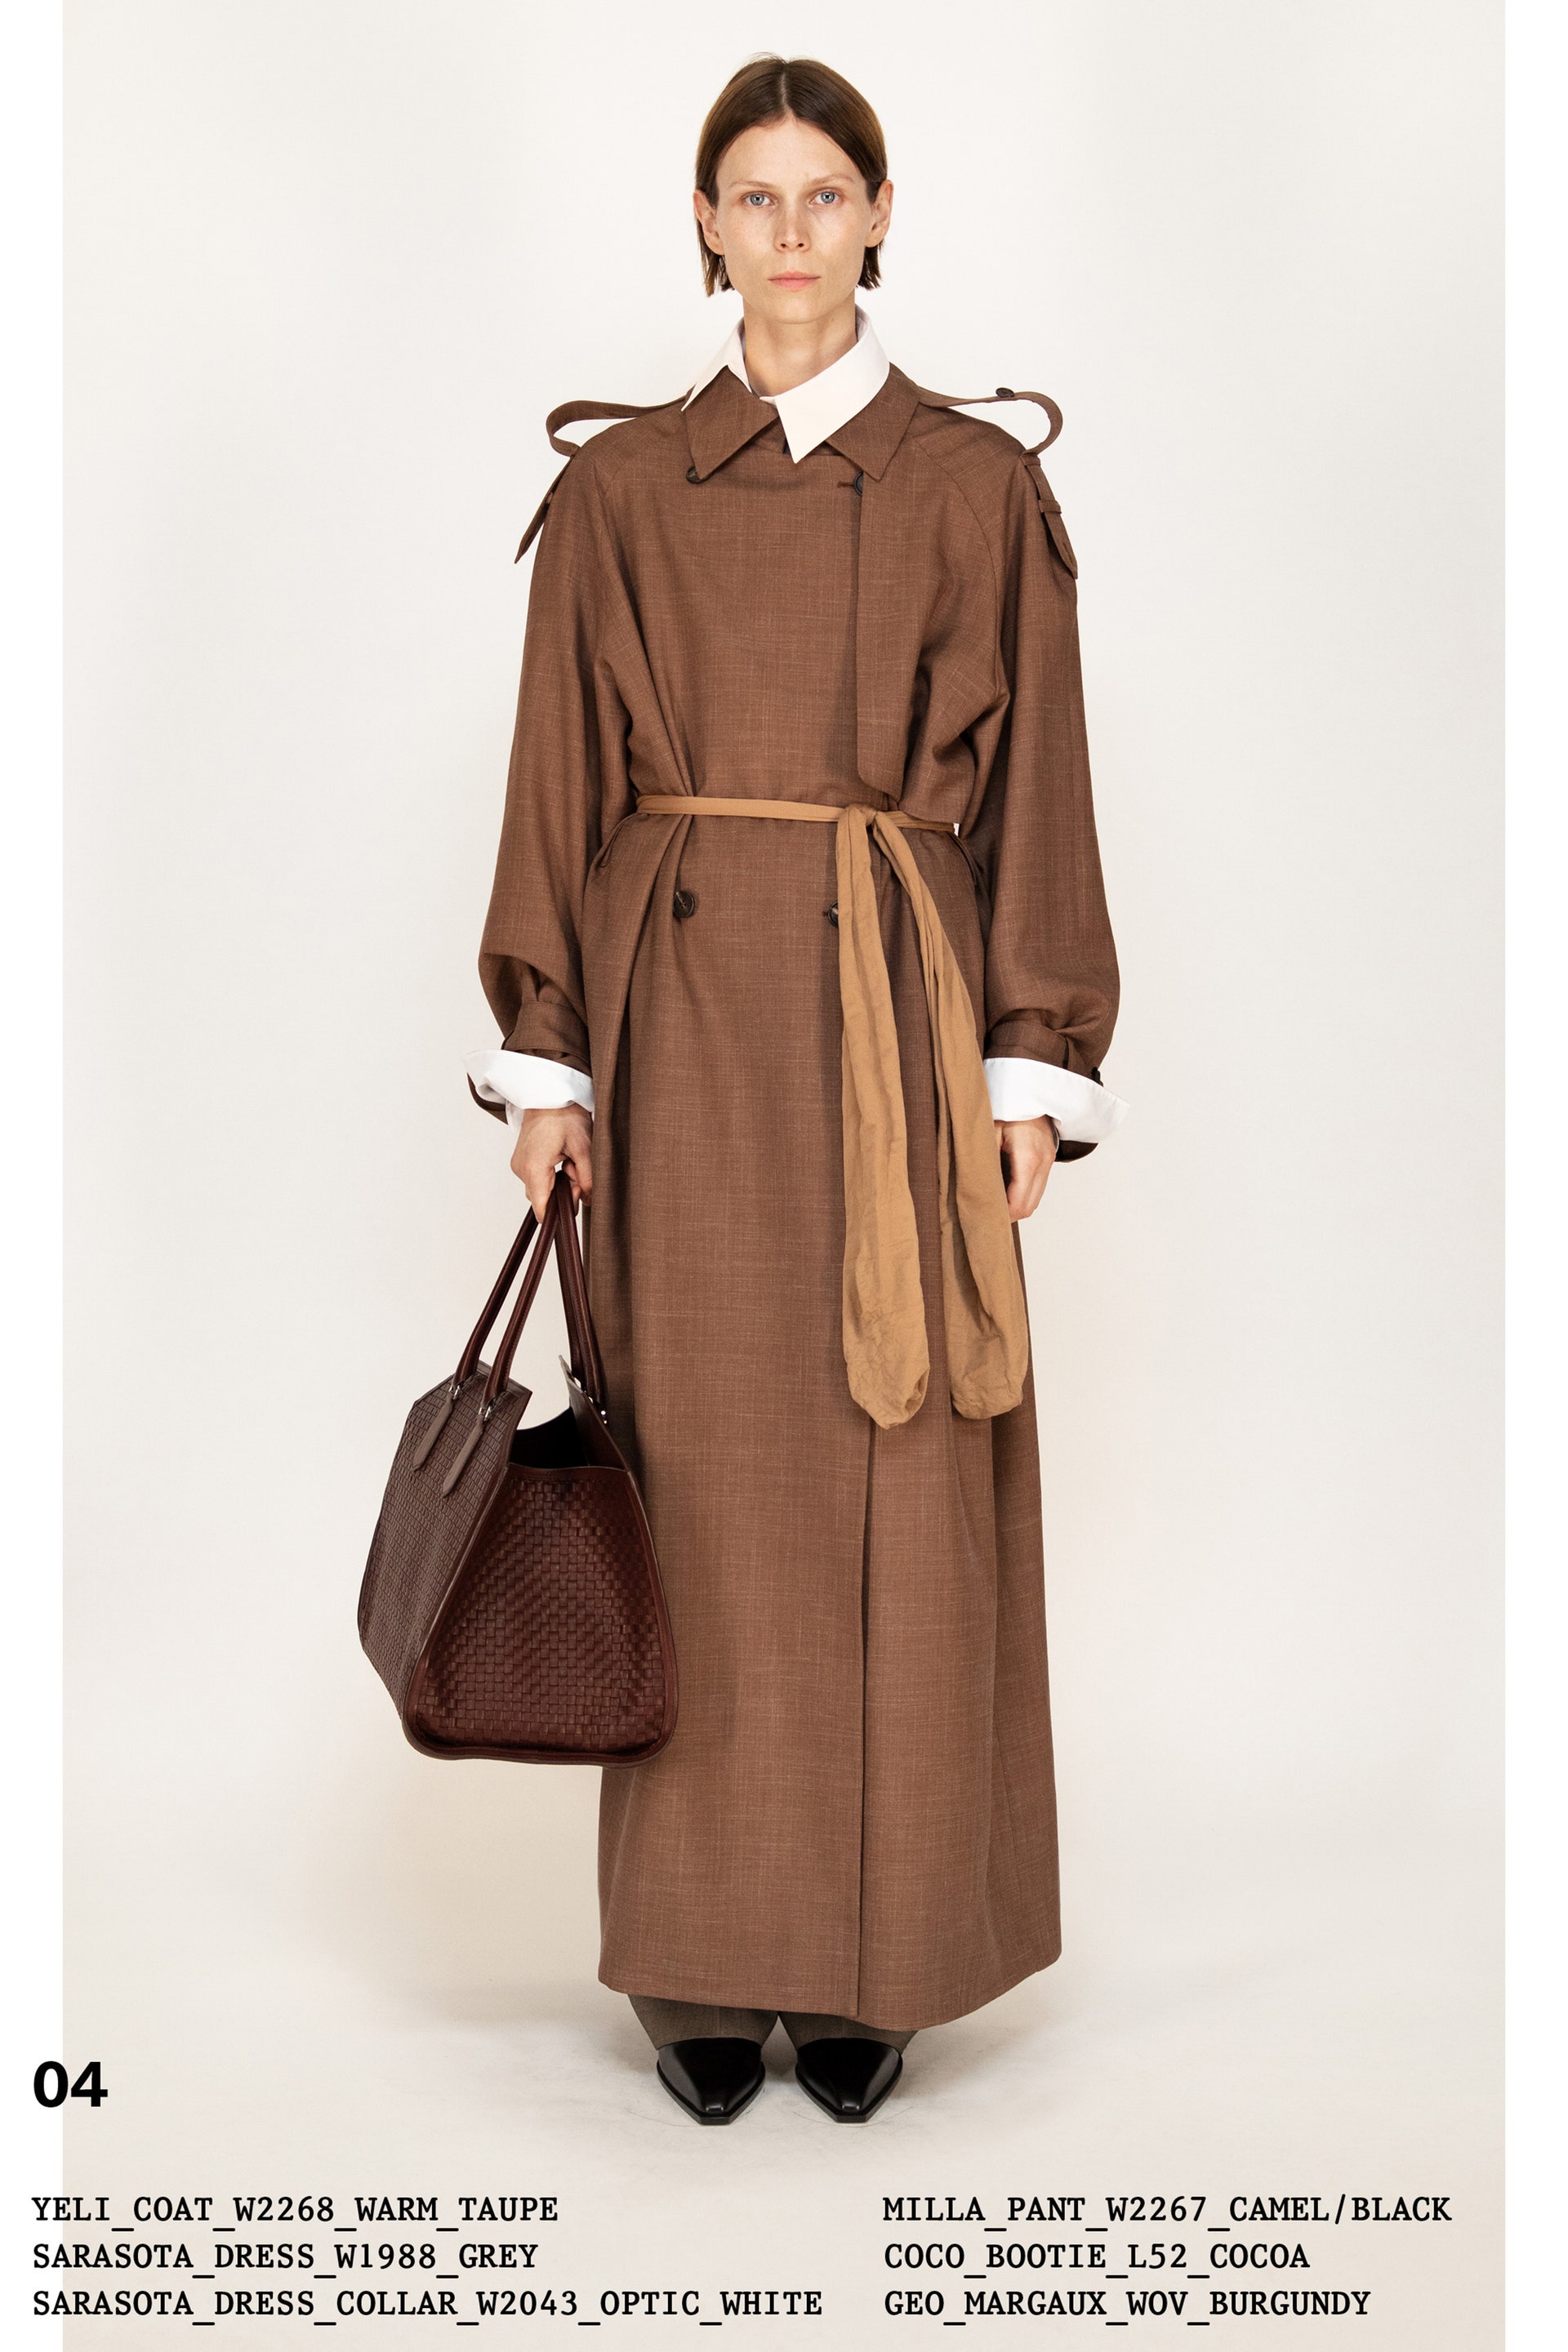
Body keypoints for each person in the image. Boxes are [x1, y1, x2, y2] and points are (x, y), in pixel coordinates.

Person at [467, 54, 1123, 2125]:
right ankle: (693, 1965)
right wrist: (548, 1059)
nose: (788, 233)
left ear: (882, 215)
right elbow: (556, 782)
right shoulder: (619, 491)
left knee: (893, 1451)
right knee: (695, 1467)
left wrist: (1032, 1061)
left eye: (823, 193)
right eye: (750, 197)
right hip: (678, 1029)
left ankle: (873, 1963)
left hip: (903, 1022)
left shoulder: (973, 484)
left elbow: (1040, 787)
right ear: (705, 226)